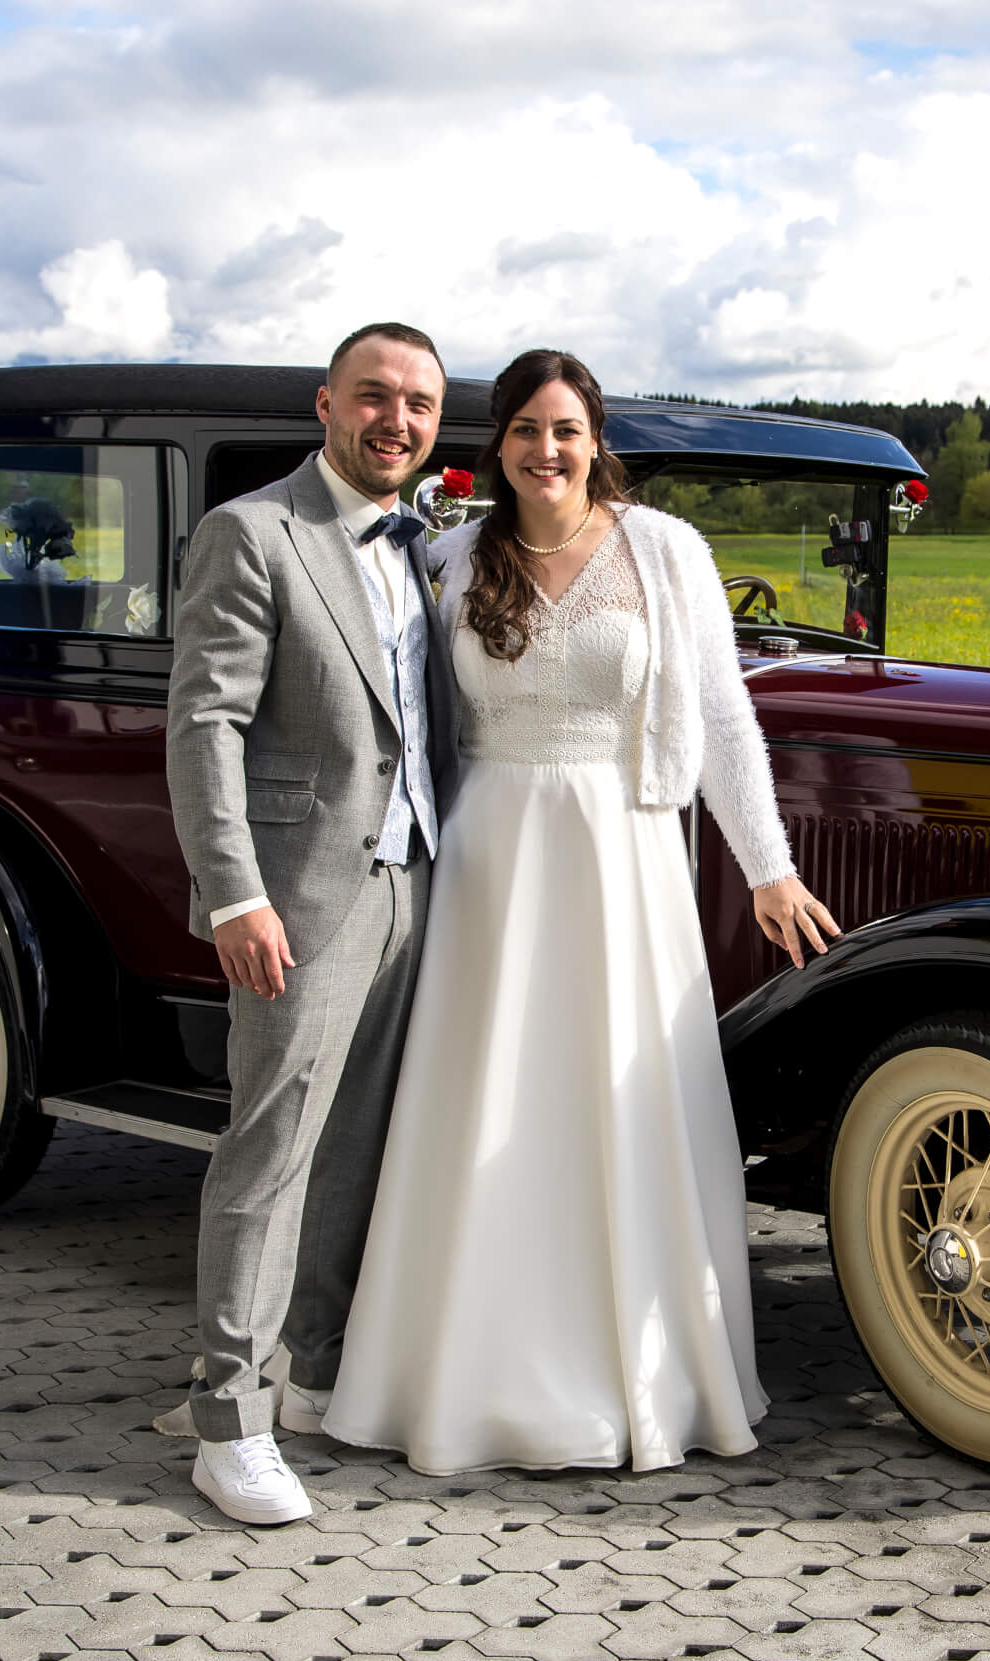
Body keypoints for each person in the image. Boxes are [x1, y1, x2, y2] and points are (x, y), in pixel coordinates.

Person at [318, 349, 840, 1475]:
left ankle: (635, 1379)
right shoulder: (452, 558)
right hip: (489, 864)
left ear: (594, 439)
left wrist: (768, 865)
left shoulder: (664, 552)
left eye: (564, 430)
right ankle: (461, 1377)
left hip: (623, 856)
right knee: (483, 1101)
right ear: (494, 445)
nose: (545, 451)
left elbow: (720, 716)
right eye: (523, 430)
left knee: (613, 1101)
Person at [163, 323, 461, 1525]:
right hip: (301, 897)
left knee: (361, 1149)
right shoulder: (253, 531)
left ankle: (309, 1374)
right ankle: (224, 1417)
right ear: (327, 404)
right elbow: (205, 725)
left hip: (420, 884)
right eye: (377, 397)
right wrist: (234, 891)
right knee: (271, 1148)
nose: (398, 420)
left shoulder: (432, 546)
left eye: (422, 405)